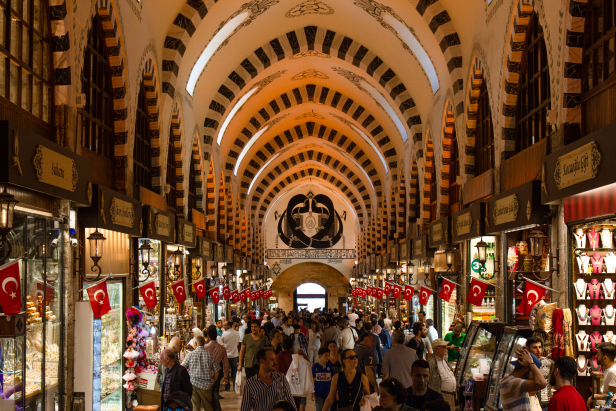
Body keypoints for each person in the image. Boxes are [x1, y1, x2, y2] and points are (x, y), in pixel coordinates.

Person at [181, 336, 219, 411]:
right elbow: (217, 371)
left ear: (195, 343)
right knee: (208, 406)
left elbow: (182, 368)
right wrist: (213, 382)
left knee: (195, 407)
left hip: (193, 384)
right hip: (207, 385)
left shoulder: (190, 355)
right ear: (204, 343)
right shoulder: (211, 355)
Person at [428, 339, 457, 411]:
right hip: (442, 397)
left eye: (446, 346)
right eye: (443, 346)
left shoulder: (444, 359)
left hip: (452, 396)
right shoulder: (431, 362)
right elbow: (428, 381)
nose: (446, 347)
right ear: (436, 349)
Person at [526, 336, 553, 411]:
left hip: (547, 403)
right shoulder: (525, 365)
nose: (538, 350)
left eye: (540, 347)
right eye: (535, 347)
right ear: (528, 349)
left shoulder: (548, 363)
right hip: (532, 402)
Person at [204, 326, 228, 410]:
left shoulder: (205, 348)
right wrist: (226, 376)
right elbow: (225, 364)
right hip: (218, 371)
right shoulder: (222, 348)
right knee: (215, 390)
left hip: (207, 372)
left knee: (207, 391)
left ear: (208, 336)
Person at [587, 342, 616, 408]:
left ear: (605, 358)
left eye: (598, 354)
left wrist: (594, 396)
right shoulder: (608, 369)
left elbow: (612, 396)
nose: (596, 356)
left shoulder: (612, 371)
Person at [219, 319, 240, 392]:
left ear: (229, 326)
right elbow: (238, 343)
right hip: (234, 355)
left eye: (225, 325)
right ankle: (234, 386)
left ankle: (227, 387)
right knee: (234, 371)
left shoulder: (224, 334)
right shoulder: (236, 333)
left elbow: (222, 344)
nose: (223, 326)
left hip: (226, 356)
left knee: (226, 371)